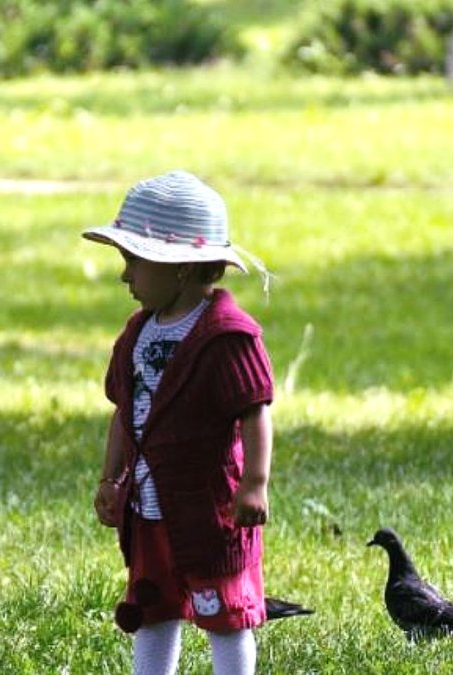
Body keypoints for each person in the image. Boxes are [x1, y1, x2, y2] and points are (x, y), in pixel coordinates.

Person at [84, 170, 274, 675]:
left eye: (133, 261)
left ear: (180, 268)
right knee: (153, 603)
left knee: (225, 608)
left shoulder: (227, 336)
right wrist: (111, 478)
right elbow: (125, 411)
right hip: (148, 506)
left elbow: (254, 410)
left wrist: (254, 484)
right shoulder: (138, 333)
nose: (125, 275)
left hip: (209, 507)